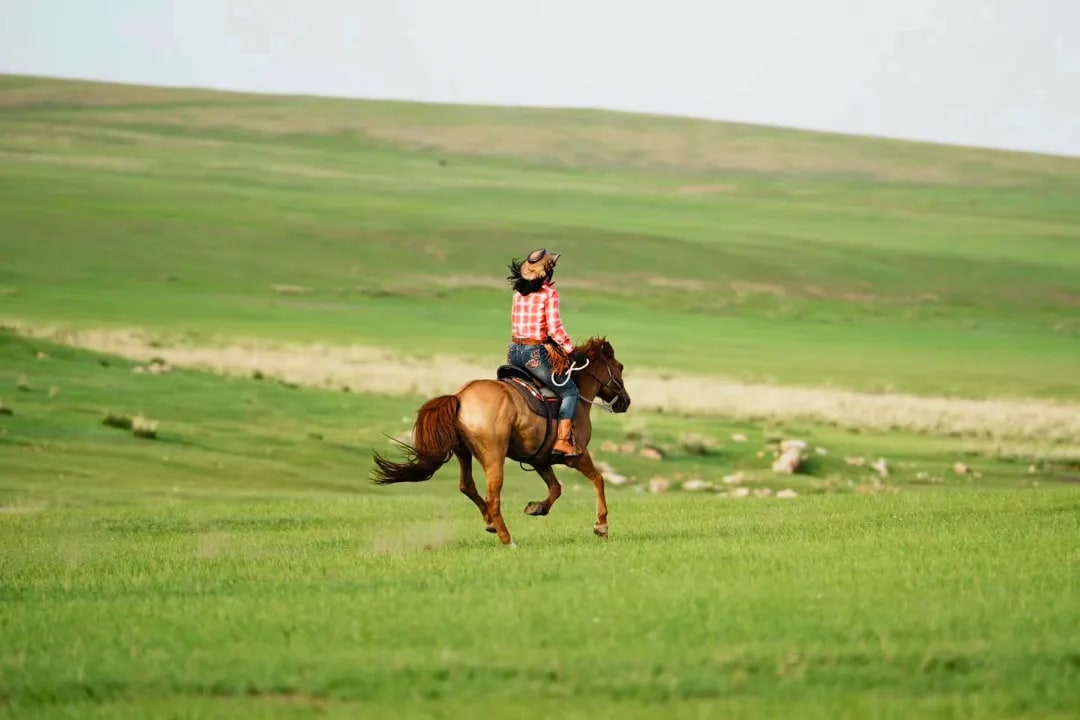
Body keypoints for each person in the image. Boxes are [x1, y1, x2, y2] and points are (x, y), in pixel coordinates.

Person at [506, 248, 586, 456]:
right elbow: (554, 328)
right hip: (533, 354)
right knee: (570, 391)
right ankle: (561, 441)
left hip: (514, 352)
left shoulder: (518, 294)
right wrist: (570, 350)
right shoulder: (549, 294)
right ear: (548, 273)